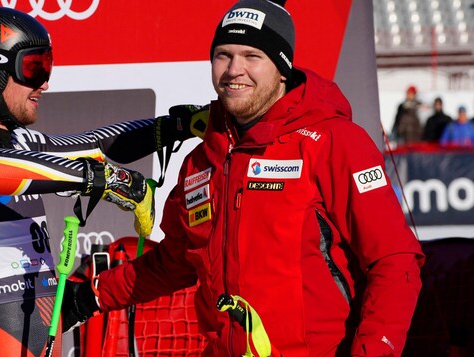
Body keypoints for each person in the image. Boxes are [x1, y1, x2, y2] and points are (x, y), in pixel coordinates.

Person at [63, 1, 425, 356]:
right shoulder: (202, 160)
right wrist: (91, 296)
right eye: (223, 55)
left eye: (252, 56)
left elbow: (395, 262)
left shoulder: (333, 142)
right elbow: (174, 262)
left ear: (282, 68)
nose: (234, 69)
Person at [0, 7, 205, 357]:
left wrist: (178, 126)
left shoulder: (20, 145)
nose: (44, 82)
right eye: (34, 68)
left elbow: (97, 145)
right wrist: (100, 180)